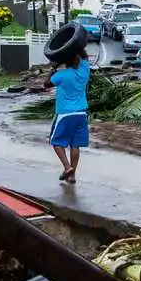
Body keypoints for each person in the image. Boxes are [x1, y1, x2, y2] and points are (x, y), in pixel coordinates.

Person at [44, 51, 90, 184]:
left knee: (56, 142)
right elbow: (85, 57)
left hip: (65, 114)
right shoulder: (84, 71)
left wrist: (53, 68)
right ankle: (72, 176)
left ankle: (67, 167)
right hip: (81, 114)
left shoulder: (61, 75)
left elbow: (46, 84)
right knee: (75, 145)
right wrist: (77, 47)